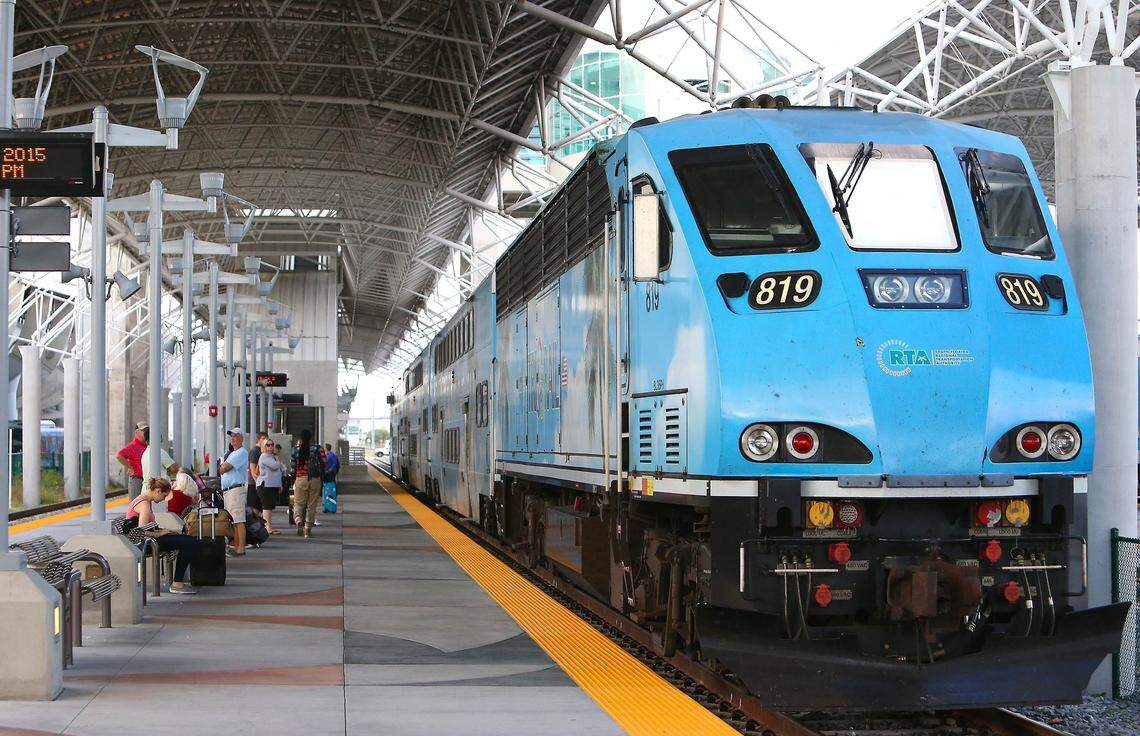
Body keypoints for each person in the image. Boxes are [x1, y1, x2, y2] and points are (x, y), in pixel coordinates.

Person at [125, 477, 198, 595]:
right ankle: (177, 583)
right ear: (158, 491)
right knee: (189, 542)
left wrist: (164, 531)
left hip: (148, 540)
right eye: (164, 496)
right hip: (145, 544)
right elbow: (141, 531)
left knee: (187, 540)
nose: (164, 499)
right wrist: (160, 533)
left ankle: (177, 581)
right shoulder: (144, 504)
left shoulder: (144, 500)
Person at [219, 427, 249, 556]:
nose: (233, 438)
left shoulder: (241, 452)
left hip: (235, 489)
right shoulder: (232, 453)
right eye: (232, 436)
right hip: (229, 490)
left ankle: (240, 548)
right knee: (234, 520)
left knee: (238, 520)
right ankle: (237, 546)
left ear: (242, 438)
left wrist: (223, 467)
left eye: (236, 436)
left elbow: (224, 468)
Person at [291, 430, 322, 538]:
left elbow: (293, 467)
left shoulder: (295, 450)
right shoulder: (318, 448)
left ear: (301, 438)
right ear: (310, 437)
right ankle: (307, 528)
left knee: (298, 503)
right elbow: (324, 462)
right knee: (311, 505)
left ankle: (298, 519)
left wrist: (293, 479)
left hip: (300, 479)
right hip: (314, 479)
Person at [257, 437, 283, 535]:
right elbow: (275, 466)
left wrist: (280, 485)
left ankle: (269, 526)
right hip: (265, 485)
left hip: (272, 485)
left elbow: (280, 471)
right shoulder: (264, 456)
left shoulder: (271, 456)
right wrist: (277, 460)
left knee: (270, 507)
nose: (271, 447)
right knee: (267, 507)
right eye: (268, 445)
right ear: (264, 446)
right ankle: (267, 527)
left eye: (272, 444)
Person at [115, 422, 147, 498]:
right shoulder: (133, 445)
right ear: (137, 432)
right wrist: (130, 467)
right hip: (137, 480)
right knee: (136, 504)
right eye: (143, 431)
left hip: (145, 480)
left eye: (147, 430)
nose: (145, 433)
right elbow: (119, 455)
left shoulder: (147, 445)